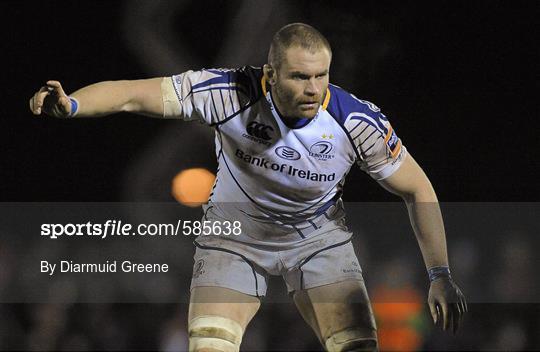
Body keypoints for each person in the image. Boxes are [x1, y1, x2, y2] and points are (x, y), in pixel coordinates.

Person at [30, 23, 467, 352]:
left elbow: (418, 189)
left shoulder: (357, 122)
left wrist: (440, 274)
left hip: (317, 238)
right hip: (234, 235)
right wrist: (72, 105)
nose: (314, 89)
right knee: (210, 344)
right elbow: (132, 94)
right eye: (299, 77)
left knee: (357, 347)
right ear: (270, 73)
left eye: (321, 76)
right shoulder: (228, 92)